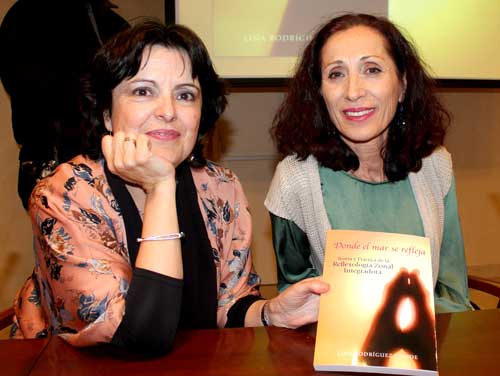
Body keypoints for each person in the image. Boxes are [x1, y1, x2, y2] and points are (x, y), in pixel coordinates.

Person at [10, 20, 329, 356]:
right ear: (106, 114)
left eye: (185, 95)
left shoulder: (219, 187)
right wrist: (160, 188)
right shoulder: (64, 194)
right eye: (143, 91)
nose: (168, 112)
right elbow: (139, 337)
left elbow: (228, 305)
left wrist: (270, 312)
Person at [264, 13, 471, 313]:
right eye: (336, 74)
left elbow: (454, 293)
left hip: (428, 348)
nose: (353, 91)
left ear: (402, 84)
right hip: (332, 353)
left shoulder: (435, 166)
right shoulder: (294, 179)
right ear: (319, 92)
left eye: (372, 69)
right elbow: (296, 303)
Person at [0, 0, 129, 209]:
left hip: (110, 169)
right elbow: (28, 90)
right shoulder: (26, 16)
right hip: (54, 166)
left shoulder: (113, 24)